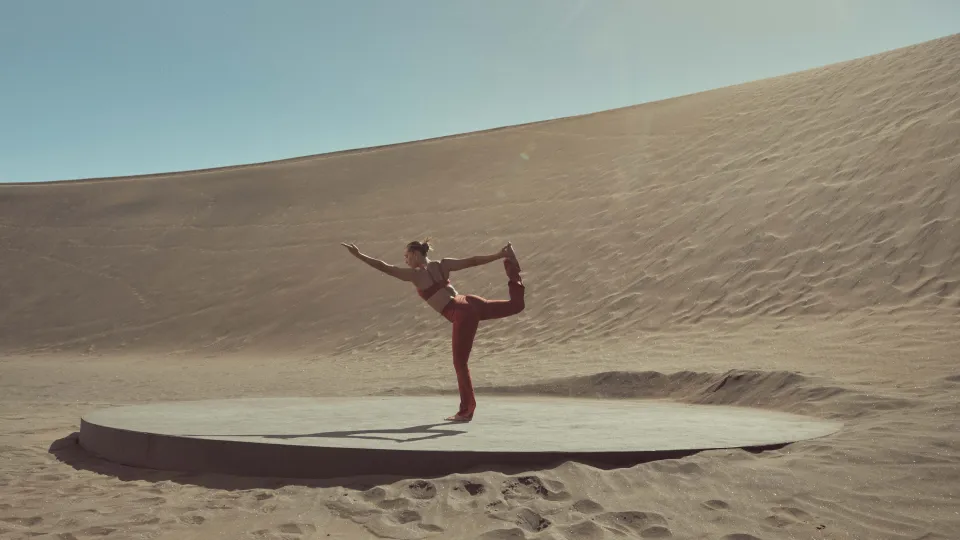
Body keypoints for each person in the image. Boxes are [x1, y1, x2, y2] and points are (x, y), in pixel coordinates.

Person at [341, 238, 525, 422]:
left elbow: (384, 267)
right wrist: (499, 255)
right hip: (470, 301)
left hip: (460, 312)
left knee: (460, 363)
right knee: (516, 305)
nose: (405, 260)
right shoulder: (442, 264)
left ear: (415, 254)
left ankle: (466, 410)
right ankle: (510, 261)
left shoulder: (415, 275)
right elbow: (473, 261)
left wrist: (359, 255)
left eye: (406, 256)